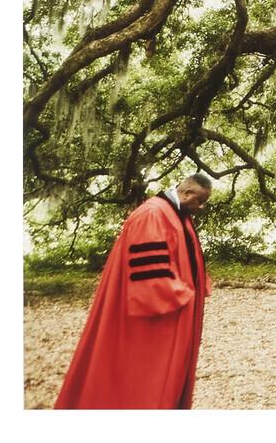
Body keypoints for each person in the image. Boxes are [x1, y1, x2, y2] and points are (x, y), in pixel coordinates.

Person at [54, 173, 213, 409]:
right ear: (187, 193)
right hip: (154, 318)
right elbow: (150, 274)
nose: (200, 207)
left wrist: (199, 285)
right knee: (141, 379)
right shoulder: (152, 214)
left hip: (179, 315)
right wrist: (182, 294)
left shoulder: (179, 215)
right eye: (199, 201)